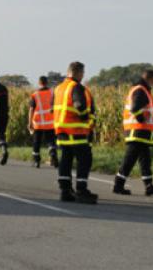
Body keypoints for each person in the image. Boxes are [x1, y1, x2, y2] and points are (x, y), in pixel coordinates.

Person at [113, 70, 153, 196]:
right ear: (149, 79)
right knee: (130, 159)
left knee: (145, 160)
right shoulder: (141, 90)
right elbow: (135, 108)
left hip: (141, 132)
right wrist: (141, 118)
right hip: (137, 131)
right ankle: (118, 184)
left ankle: (149, 186)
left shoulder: (142, 90)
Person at [53, 62, 98, 204]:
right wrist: (86, 116)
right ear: (79, 73)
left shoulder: (59, 88)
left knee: (66, 160)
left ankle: (65, 191)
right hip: (76, 130)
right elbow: (79, 105)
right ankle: (81, 190)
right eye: (82, 73)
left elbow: (51, 108)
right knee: (85, 159)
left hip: (61, 130)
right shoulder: (76, 87)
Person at [28, 76, 58, 169]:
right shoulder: (52, 93)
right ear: (47, 82)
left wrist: (29, 123)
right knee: (51, 141)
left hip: (38, 123)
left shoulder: (35, 95)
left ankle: (36, 161)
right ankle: (53, 155)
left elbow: (31, 109)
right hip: (50, 123)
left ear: (39, 83)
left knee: (36, 142)